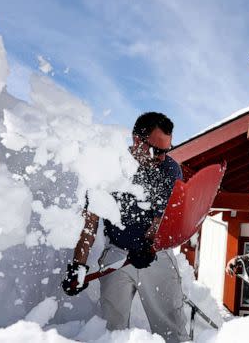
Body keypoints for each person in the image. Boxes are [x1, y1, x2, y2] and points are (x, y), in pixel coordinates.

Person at [62, 112, 188, 342]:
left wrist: (148, 245)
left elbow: (161, 220)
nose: (161, 157)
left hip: (154, 255)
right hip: (117, 254)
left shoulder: (169, 170)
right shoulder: (109, 167)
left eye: (166, 150)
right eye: (156, 150)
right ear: (137, 140)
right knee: (111, 330)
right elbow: (90, 224)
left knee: (170, 327)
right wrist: (78, 266)